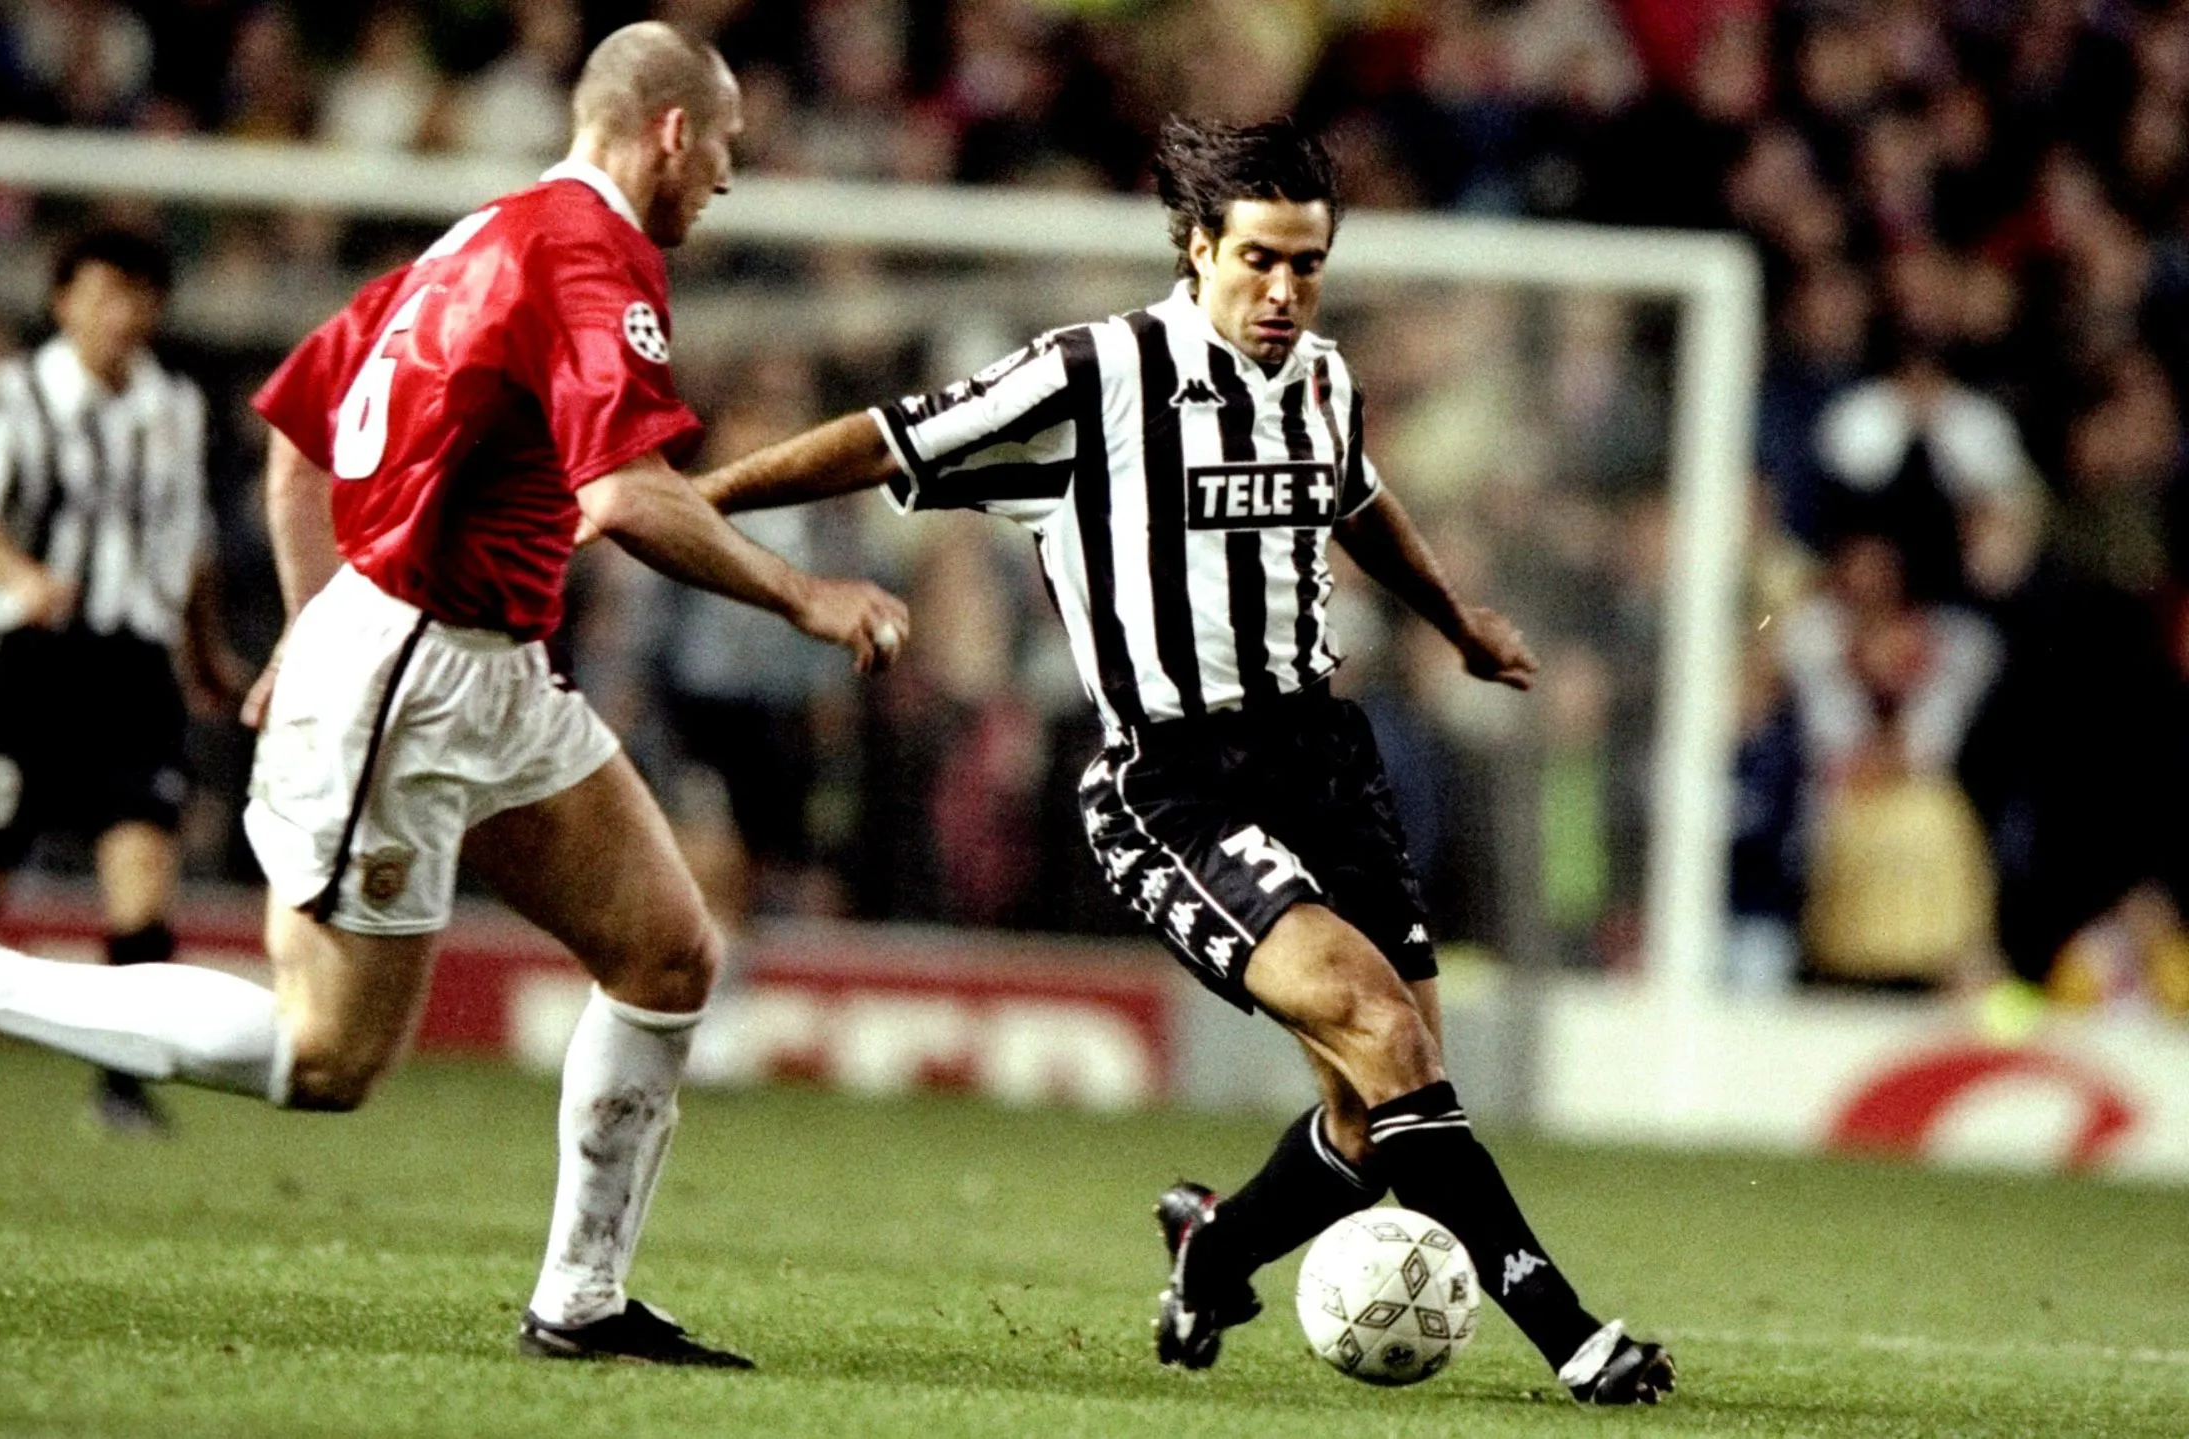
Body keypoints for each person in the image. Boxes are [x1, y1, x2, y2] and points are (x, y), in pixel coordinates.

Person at [0, 21, 909, 1369]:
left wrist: (310, 619)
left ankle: (580, 1297)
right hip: (420, 669)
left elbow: (295, 442)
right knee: (326, 1055)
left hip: (466, 658)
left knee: (667, 953)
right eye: (729, 147)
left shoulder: (474, 240)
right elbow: (623, 492)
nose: (731, 180)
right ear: (673, 132)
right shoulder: (591, 252)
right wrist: (806, 595)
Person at [681, 118, 1674, 1404]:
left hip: (1326, 758)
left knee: (1378, 1119)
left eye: (1306, 265)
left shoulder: (1321, 376)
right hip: (1176, 784)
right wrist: (689, 503)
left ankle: (1215, 1250)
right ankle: (1569, 1328)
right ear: (1195, 246)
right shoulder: (1092, 374)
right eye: (1257, 260)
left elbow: (1358, 498)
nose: (1282, 292)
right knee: (1381, 1028)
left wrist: (1456, 623)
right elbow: (887, 437)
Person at [0, 226, 236, 1134]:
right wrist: (22, 578)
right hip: (30, 653)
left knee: (142, 859)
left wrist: (204, 657)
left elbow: (189, 541)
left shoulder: (175, 407)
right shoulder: (9, 394)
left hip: (133, 654)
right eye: (101, 294)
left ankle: (120, 1085)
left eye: (136, 296)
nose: (119, 314)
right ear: (63, 301)